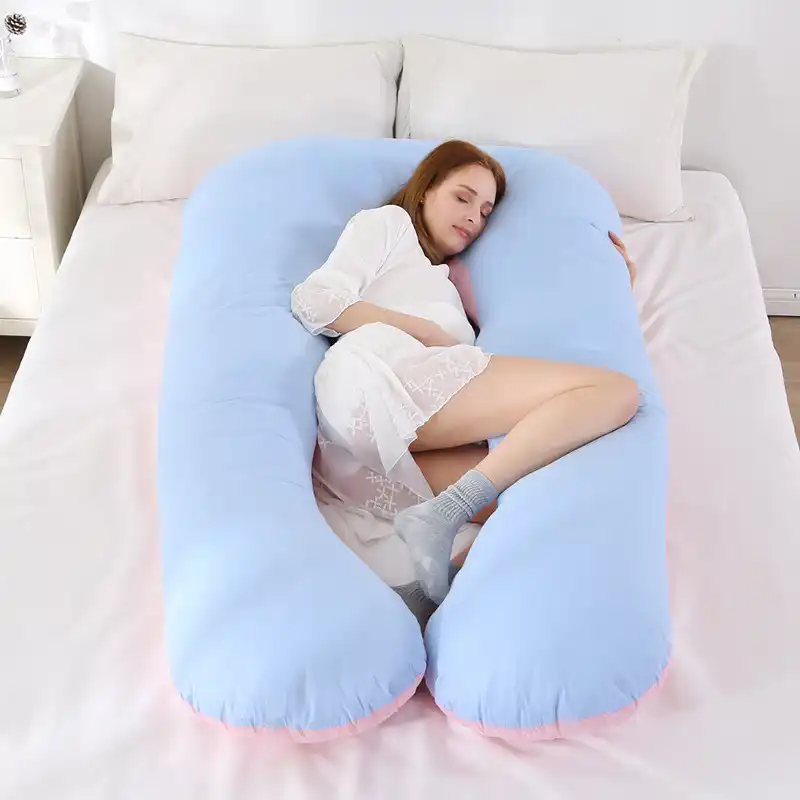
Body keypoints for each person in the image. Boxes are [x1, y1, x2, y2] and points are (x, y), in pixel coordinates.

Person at [291, 140, 639, 626]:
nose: (474, 216)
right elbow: (315, 299)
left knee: (542, 492)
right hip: (380, 374)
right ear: (425, 189)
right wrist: (423, 331)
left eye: (486, 210)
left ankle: (430, 597)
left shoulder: (451, 280)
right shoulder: (388, 225)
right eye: (462, 197)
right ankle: (445, 516)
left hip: (371, 456)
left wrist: (614, 288)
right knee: (617, 392)